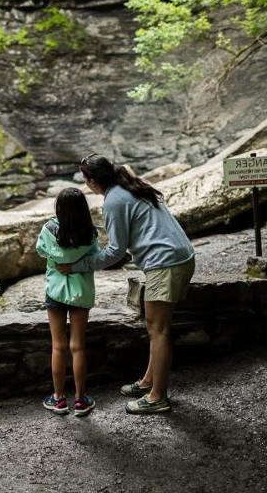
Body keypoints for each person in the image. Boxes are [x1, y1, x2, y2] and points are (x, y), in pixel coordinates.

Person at [57, 154, 194, 415]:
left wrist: (77, 265)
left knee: (159, 330)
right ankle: (147, 383)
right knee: (155, 326)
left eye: (85, 179)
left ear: (92, 181)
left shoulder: (114, 201)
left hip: (165, 263)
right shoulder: (129, 186)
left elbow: (115, 251)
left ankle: (157, 398)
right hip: (177, 257)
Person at [35, 187, 99, 417]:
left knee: (58, 346)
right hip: (81, 293)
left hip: (55, 291)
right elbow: (95, 255)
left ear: (59, 208)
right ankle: (81, 400)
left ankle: (59, 399)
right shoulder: (90, 233)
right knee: (78, 346)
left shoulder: (49, 229)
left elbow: (41, 250)